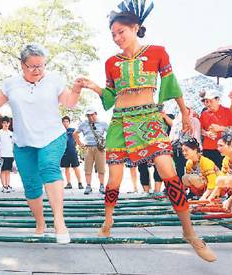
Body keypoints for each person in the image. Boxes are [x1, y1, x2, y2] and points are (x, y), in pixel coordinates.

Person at [78, 2, 216, 261]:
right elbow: (110, 97)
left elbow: (171, 84)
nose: (117, 38)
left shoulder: (157, 52)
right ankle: (108, 220)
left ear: (136, 28)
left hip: (149, 119)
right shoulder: (111, 63)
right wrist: (94, 87)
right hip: (119, 122)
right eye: (113, 35)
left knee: (169, 172)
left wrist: (185, 113)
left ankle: (190, 233)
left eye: (121, 32)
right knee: (114, 180)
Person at [0, 43, 83, 244]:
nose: (37, 70)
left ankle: (59, 222)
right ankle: (40, 223)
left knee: (49, 167)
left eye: (41, 66)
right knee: (32, 186)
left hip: (52, 136)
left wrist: (76, 90)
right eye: (32, 66)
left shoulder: (54, 80)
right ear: (22, 65)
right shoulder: (11, 84)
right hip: (24, 141)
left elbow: (70, 103)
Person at [199, 89, 232, 169]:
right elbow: (200, 130)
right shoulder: (204, 114)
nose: (208, 104)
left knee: (225, 171)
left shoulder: (227, 111)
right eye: (206, 101)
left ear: (217, 100)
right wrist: (207, 133)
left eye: (210, 101)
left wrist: (221, 128)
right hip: (208, 148)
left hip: (225, 148)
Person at [73, 108, 108, 194]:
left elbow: (110, 133)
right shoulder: (84, 124)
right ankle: (88, 186)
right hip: (88, 148)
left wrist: (107, 143)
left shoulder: (103, 123)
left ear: (96, 114)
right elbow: (75, 133)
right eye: (88, 115)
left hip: (100, 148)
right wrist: (80, 144)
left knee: (101, 168)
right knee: (87, 169)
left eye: (92, 115)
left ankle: (102, 185)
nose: (90, 117)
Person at [169, 107, 202, 179]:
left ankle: (192, 188)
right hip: (178, 149)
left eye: (186, 112)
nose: (184, 114)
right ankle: (180, 187)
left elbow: (197, 135)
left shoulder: (194, 121)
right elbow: (172, 135)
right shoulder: (176, 121)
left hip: (191, 148)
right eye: (182, 112)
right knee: (179, 168)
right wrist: (169, 147)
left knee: (192, 167)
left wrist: (199, 149)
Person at [208, 132, 232, 201]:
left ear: (230, 146)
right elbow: (220, 183)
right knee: (220, 179)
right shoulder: (226, 160)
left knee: (222, 179)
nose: (218, 148)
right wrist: (210, 199)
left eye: (221, 146)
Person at [60, 116, 83, 189]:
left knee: (75, 167)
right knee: (66, 168)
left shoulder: (73, 130)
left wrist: (80, 145)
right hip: (64, 153)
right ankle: (68, 183)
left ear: (69, 122)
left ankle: (80, 183)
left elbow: (77, 139)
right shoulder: (60, 132)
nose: (65, 123)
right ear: (62, 123)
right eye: (64, 121)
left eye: (67, 121)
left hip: (72, 151)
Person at [0, 116, 14, 192]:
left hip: (10, 155)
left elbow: (13, 144)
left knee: (8, 171)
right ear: (2, 123)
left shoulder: (11, 133)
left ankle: (8, 185)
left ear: (9, 124)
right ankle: (4, 186)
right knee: (3, 170)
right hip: (2, 155)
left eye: (7, 123)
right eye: (4, 123)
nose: (6, 124)